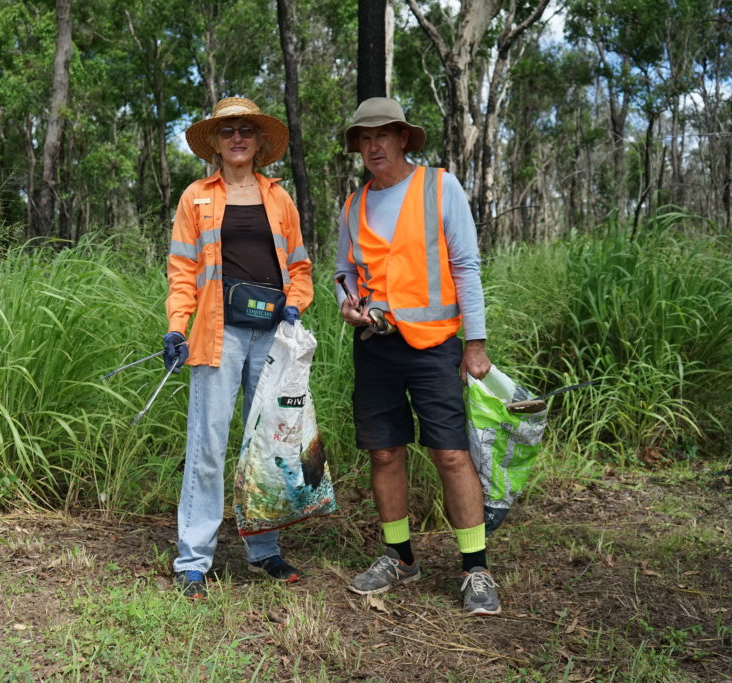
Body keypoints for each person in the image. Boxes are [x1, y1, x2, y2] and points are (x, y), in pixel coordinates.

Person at [333, 97, 500, 615]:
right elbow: (343, 272)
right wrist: (348, 306)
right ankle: (400, 558)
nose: (374, 145)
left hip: (434, 347)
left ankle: (476, 569)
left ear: (404, 139)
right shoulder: (354, 203)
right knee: (384, 451)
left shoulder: (439, 187)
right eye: (365, 138)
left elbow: (466, 267)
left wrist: (476, 344)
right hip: (376, 346)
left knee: (450, 452)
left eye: (384, 135)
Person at [164, 97, 314, 600]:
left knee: (266, 446)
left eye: (246, 130)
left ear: (258, 142)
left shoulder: (279, 198)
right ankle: (192, 561)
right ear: (216, 142)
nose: (237, 138)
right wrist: (176, 328)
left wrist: (294, 305)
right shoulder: (196, 198)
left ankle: (263, 549)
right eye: (228, 131)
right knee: (207, 447)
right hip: (217, 333)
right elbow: (183, 272)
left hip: (271, 334)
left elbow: (299, 267)